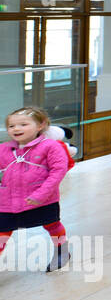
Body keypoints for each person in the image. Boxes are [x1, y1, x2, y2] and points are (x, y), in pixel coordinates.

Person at [0, 106, 73, 271]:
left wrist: (41, 194)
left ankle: (62, 251)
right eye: (12, 126)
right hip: (7, 202)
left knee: (52, 225)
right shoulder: (4, 149)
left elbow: (57, 172)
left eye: (23, 124)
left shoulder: (51, 146)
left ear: (41, 125)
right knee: (2, 232)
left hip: (43, 200)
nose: (16, 129)